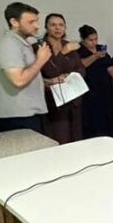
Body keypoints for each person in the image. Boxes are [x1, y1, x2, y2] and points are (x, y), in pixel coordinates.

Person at [0, 2, 51, 132]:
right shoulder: (8, 45)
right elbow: (18, 80)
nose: (37, 26)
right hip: (15, 116)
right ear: (14, 22)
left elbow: (25, 73)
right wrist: (40, 60)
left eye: (37, 21)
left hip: (24, 113)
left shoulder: (20, 43)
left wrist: (46, 82)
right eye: (31, 22)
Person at [39, 14, 85, 144]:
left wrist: (72, 76)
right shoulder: (40, 47)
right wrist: (63, 52)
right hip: (54, 100)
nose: (57, 28)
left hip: (73, 97)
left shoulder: (68, 45)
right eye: (53, 25)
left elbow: (81, 68)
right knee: (60, 138)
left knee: (76, 138)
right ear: (46, 27)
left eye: (61, 25)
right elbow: (50, 71)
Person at [77, 25, 113, 138]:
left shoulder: (101, 48)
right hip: (90, 88)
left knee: (109, 113)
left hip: (105, 87)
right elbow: (80, 65)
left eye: (96, 39)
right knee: (94, 115)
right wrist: (95, 56)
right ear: (83, 39)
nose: (94, 42)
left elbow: (110, 67)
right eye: (90, 40)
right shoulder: (79, 50)